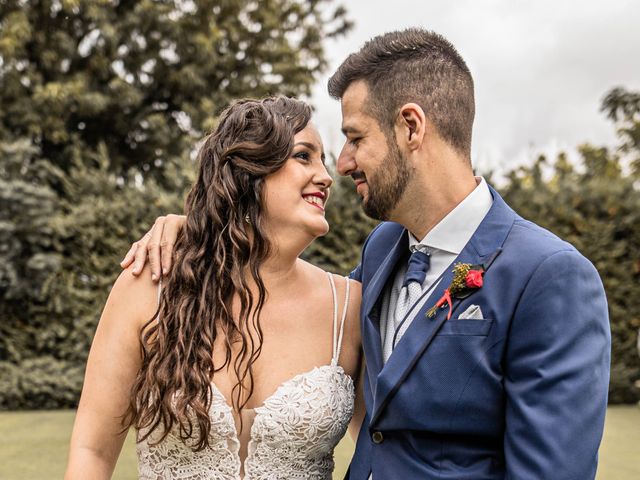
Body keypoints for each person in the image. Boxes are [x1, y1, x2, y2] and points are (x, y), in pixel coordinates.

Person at [125, 29, 611, 479]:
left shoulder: (550, 276)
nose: (341, 164)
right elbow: (275, 284)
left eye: (355, 138)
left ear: (411, 127)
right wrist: (200, 224)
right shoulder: (382, 252)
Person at [65, 96, 364, 480]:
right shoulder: (150, 285)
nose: (325, 176)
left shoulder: (348, 307)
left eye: (322, 160)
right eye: (304, 156)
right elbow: (91, 452)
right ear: (248, 171)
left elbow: (382, 451)